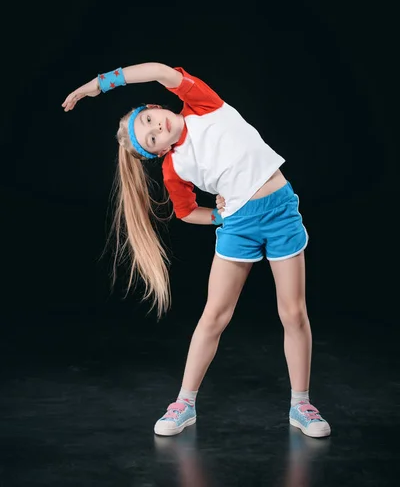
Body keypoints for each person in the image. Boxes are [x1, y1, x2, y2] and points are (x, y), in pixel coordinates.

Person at [62, 62, 331, 439]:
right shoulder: (175, 167)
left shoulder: (202, 105)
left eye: (151, 120)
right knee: (215, 316)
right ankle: (184, 404)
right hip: (238, 227)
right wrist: (220, 216)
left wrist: (98, 84)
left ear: (158, 107)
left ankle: (301, 404)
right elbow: (186, 212)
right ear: (157, 153)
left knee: (293, 312)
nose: (157, 128)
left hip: (281, 214)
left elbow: (156, 69)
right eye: (151, 138)